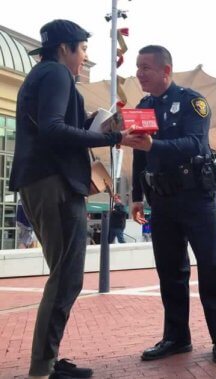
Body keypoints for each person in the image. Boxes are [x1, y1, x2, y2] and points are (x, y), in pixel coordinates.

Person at [8, 19, 139, 379]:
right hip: (56, 183)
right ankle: (42, 368)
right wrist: (112, 140)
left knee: (64, 276)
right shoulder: (56, 74)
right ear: (64, 48)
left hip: (45, 181)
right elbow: (52, 129)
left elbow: (55, 124)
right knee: (67, 277)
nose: (84, 57)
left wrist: (95, 123)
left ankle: (47, 362)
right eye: (82, 49)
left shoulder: (43, 74)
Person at [128, 45, 216, 363]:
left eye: (145, 67)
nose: (139, 73)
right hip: (161, 200)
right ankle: (176, 337)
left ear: (165, 70)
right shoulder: (143, 105)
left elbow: (194, 143)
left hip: (196, 197)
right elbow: (138, 153)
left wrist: (154, 145)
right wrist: (136, 196)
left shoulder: (192, 102)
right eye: (137, 66)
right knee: (170, 270)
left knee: (211, 267)